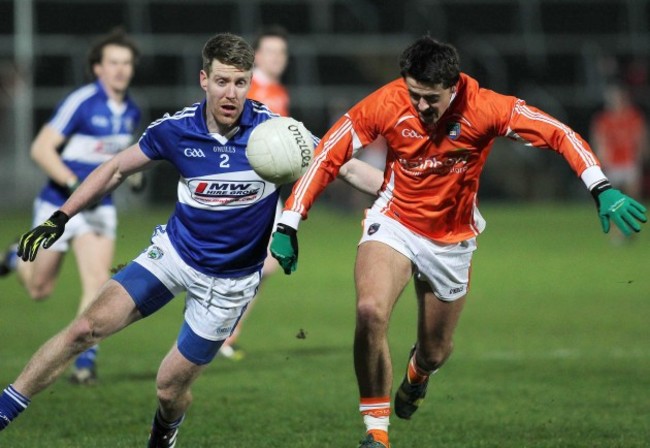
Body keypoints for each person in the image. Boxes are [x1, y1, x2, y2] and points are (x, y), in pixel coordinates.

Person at [0, 32, 381, 446]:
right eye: (221, 81)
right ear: (204, 79)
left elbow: (345, 167)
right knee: (84, 329)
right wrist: (60, 217)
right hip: (172, 256)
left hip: (230, 284)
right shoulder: (175, 130)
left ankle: (164, 433)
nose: (231, 93)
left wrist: (401, 195)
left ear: (249, 81)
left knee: (168, 389)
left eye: (240, 82)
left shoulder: (278, 133)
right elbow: (114, 169)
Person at [269, 36, 648, 448]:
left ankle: (418, 375)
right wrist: (290, 222)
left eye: (430, 98)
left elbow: (558, 133)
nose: (420, 106)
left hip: (452, 239)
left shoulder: (485, 106)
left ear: (453, 86)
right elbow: (328, 154)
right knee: (370, 310)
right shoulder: (386, 102)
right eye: (414, 95)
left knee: (434, 351)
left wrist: (601, 187)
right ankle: (376, 431)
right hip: (394, 221)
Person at [0, 28, 143, 385]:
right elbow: (41, 149)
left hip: (100, 209)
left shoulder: (131, 111)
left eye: (126, 63)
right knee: (39, 290)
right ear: (98, 68)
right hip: (58, 206)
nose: (120, 69)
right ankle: (16, 255)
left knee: (97, 283)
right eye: (113, 62)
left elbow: (123, 159)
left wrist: (135, 176)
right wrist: (74, 186)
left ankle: (85, 362)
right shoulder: (82, 101)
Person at [218, 25, 291, 360]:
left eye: (282, 53)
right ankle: (218, 329)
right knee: (252, 260)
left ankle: (226, 332)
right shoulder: (248, 87)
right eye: (270, 51)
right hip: (244, 186)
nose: (277, 58)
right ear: (257, 55)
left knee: (269, 262)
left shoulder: (278, 92)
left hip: (267, 187)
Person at [590, 83, 648, 200]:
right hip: (612, 161)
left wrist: (642, 155)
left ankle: (632, 216)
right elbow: (599, 139)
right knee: (611, 196)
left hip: (629, 160)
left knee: (633, 194)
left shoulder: (633, 116)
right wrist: (599, 158)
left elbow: (641, 137)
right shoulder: (603, 119)